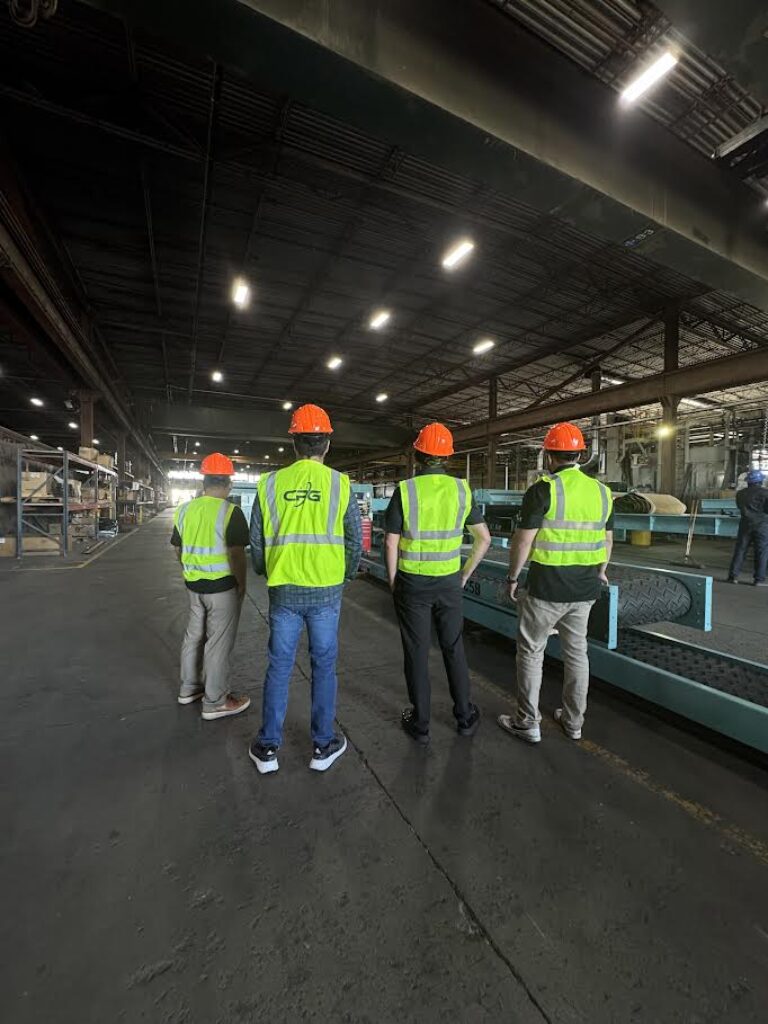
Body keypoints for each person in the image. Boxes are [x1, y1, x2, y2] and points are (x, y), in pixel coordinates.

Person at [248, 404, 362, 775]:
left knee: (279, 666)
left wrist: (269, 570)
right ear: (326, 443)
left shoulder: (269, 484)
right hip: (326, 591)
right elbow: (353, 541)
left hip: (284, 590)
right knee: (324, 666)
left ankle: (267, 749)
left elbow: (257, 542)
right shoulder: (339, 484)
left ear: (294, 442)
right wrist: (343, 574)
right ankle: (322, 744)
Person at [497, 423, 613, 744]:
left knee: (532, 653)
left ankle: (527, 722)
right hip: (586, 588)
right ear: (580, 454)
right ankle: (574, 722)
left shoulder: (543, 489)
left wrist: (512, 577)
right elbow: (607, 539)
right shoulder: (602, 492)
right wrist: (601, 570)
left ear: (549, 455)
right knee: (577, 654)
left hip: (547, 588)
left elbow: (523, 541)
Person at [384, 422, 491, 744]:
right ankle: (465, 717)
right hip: (448, 582)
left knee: (416, 651)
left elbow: (391, 543)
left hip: (412, 582)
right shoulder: (462, 489)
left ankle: (421, 724)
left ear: (418, 455)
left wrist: (393, 580)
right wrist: (464, 574)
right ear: (447, 457)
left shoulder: (406, 490)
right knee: (453, 647)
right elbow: (483, 539)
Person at [171, 452, 251, 720]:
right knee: (217, 643)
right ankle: (215, 700)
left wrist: (189, 570)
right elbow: (236, 554)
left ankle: (189, 688)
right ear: (228, 483)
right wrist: (241, 584)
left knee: (193, 637)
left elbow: (177, 548)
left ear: (204, 482)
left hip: (194, 586)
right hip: (222, 588)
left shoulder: (184, 509)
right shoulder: (231, 512)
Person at [727, 469, 768, 587]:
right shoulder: (765, 493)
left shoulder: (740, 494)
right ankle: (758, 579)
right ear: (760, 481)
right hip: (762, 525)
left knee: (740, 550)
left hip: (745, 524)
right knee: (761, 551)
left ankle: (733, 576)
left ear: (748, 481)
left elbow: (740, 507)